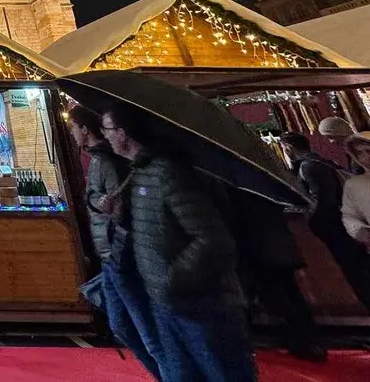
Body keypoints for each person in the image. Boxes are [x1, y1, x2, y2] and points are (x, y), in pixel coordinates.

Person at [102, 103, 256, 382]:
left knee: (222, 371)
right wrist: (120, 216)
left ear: (124, 132)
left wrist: (171, 279)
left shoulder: (169, 173)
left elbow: (213, 239)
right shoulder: (140, 174)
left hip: (201, 303)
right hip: (165, 301)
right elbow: (153, 231)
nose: (105, 136)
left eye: (108, 129)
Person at [68, 105, 163, 379]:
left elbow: (119, 207)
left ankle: (166, 371)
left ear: (85, 130)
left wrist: (101, 204)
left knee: (139, 325)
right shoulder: (99, 159)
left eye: (73, 127)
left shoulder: (107, 161)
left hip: (118, 252)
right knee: (122, 323)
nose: (72, 133)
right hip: (111, 252)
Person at [225, 187, 326, 362]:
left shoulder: (233, 190)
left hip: (257, 253)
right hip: (278, 248)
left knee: (270, 299)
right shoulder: (261, 185)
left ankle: (303, 341)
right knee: (290, 295)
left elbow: (237, 224)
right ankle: (309, 341)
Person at [283, 133, 370, 311]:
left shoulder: (309, 166)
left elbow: (323, 199)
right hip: (349, 231)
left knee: (357, 272)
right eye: (360, 153)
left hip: (334, 228)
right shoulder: (351, 181)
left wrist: (311, 218)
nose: (365, 157)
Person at [341, 134, 370, 249]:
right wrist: (361, 230)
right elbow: (349, 215)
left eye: (369, 150)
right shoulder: (354, 185)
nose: (366, 157)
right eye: (359, 153)